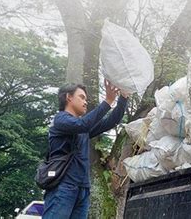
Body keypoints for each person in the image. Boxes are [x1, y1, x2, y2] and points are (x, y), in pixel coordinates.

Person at [42, 79, 129, 219]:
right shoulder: (60, 120)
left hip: (83, 188)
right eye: (81, 97)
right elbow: (82, 125)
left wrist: (123, 98)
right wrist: (107, 101)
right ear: (68, 97)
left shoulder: (83, 128)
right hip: (63, 186)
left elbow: (112, 121)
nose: (86, 102)